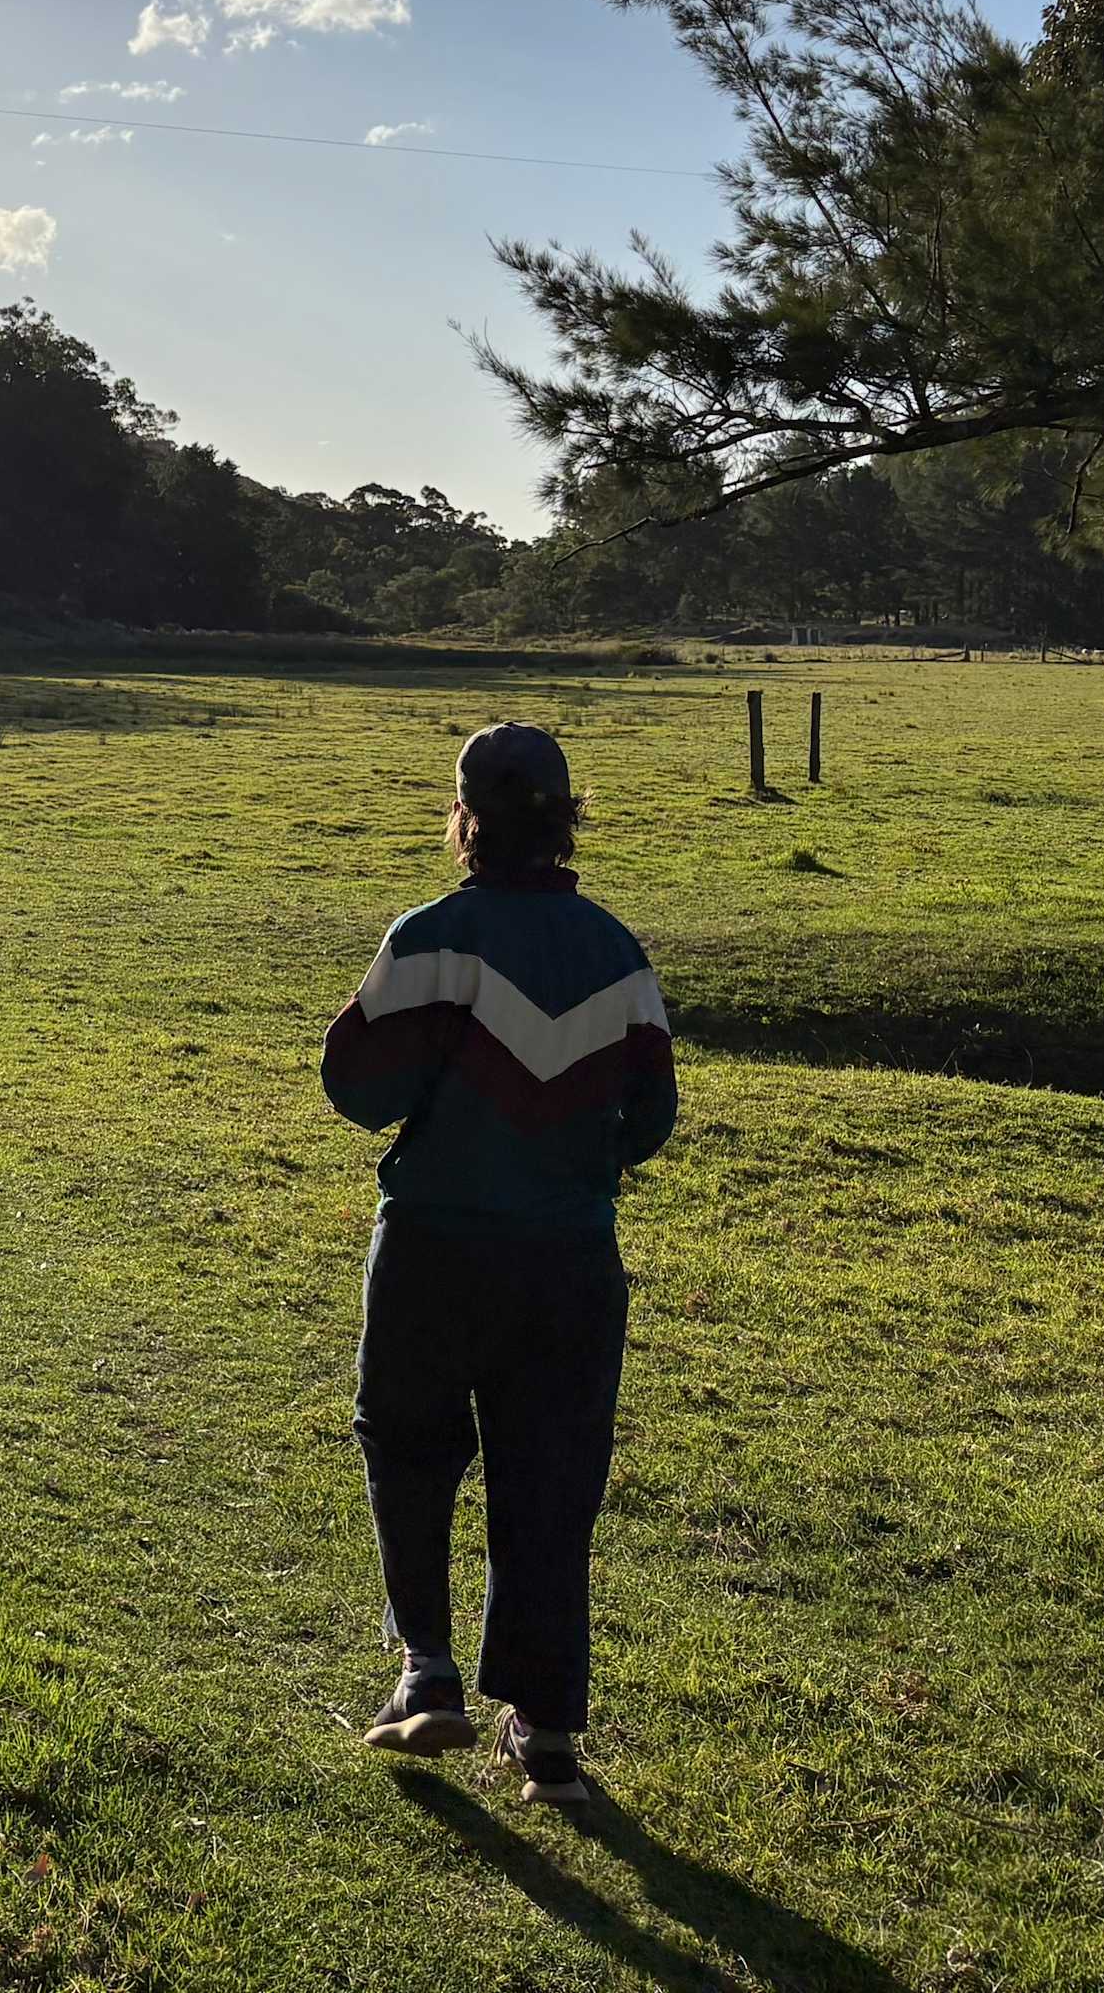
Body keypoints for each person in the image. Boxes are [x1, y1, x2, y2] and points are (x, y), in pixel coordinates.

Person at [322, 720, 674, 1805]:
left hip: (434, 1239)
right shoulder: (619, 952)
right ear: (566, 820)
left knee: (410, 1442)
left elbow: (355, 1087)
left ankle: (426, 1672)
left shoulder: (428, 936)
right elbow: (651, 1117)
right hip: (569, 1259)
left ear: (466, 819)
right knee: (553, 1479)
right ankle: (550, 1734)